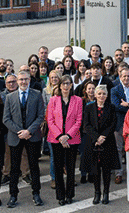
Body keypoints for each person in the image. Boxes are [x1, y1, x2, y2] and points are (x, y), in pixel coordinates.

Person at [3, 70, 45, 208]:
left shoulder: (37, 95)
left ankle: (36, 193)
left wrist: (29, 131)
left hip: (32, 136)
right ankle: (13, 195)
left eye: (26, 79)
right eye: (20, 79)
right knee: (14, 168)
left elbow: (40, 116)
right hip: (16, 137)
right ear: (17, 81)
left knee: (34, 166)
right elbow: (6, 119)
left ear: (29, 80)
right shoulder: (10, 97)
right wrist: (20, 132)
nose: (23, 82)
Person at [46, 75, 82, 206]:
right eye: (63, 84)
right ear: (59, 86)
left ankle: (69, 194)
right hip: (56, 139)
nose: (66, 86)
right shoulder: (53, 100)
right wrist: (60, 136)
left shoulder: (77, 100)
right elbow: (50, 120)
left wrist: (67, 135)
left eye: (68, 83)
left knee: (71, 168)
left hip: (72, 139)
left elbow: (78, 121)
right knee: (58, 168)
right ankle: (60, 195)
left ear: (72, 85)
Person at [83, 85, 121, 205]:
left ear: (107, 95)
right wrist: (96, 137)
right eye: (99, 94)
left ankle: (106, 193)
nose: (101, 96)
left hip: (107, 142)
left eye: (104, 94)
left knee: (106, 169)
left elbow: (113, 123)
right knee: (95, 170)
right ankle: (97, 193)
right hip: (93, 142)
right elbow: (86, 125)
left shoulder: (111, 107)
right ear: (95, 95)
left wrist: (103, 136)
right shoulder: (89, 108)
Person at [111, 66, 129, 184]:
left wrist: (128, 105)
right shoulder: (115, 90)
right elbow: (116, 106)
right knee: (118, 149)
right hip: (119, 124)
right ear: (120, 77)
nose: (126, 78)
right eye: (124, 76)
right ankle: (119, 173)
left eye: (128, 76)